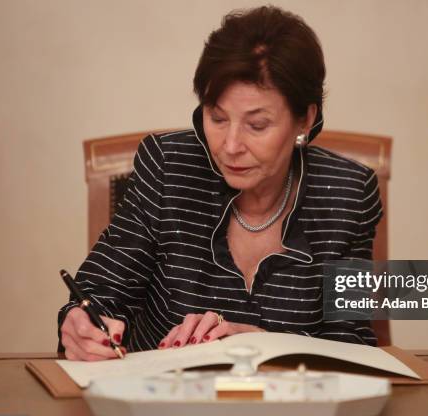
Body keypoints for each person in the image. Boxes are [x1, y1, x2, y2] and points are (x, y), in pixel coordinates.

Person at [58, 5, 383, 361]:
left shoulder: (349, 193)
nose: (229, 146)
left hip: (291, 412)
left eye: (257, 125)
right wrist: (81, 323)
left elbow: (353, 344)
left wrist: (265, 342)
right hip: (162, 404)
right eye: (216, 117)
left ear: (305, 119)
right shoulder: (168, 166)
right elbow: (101, 293)